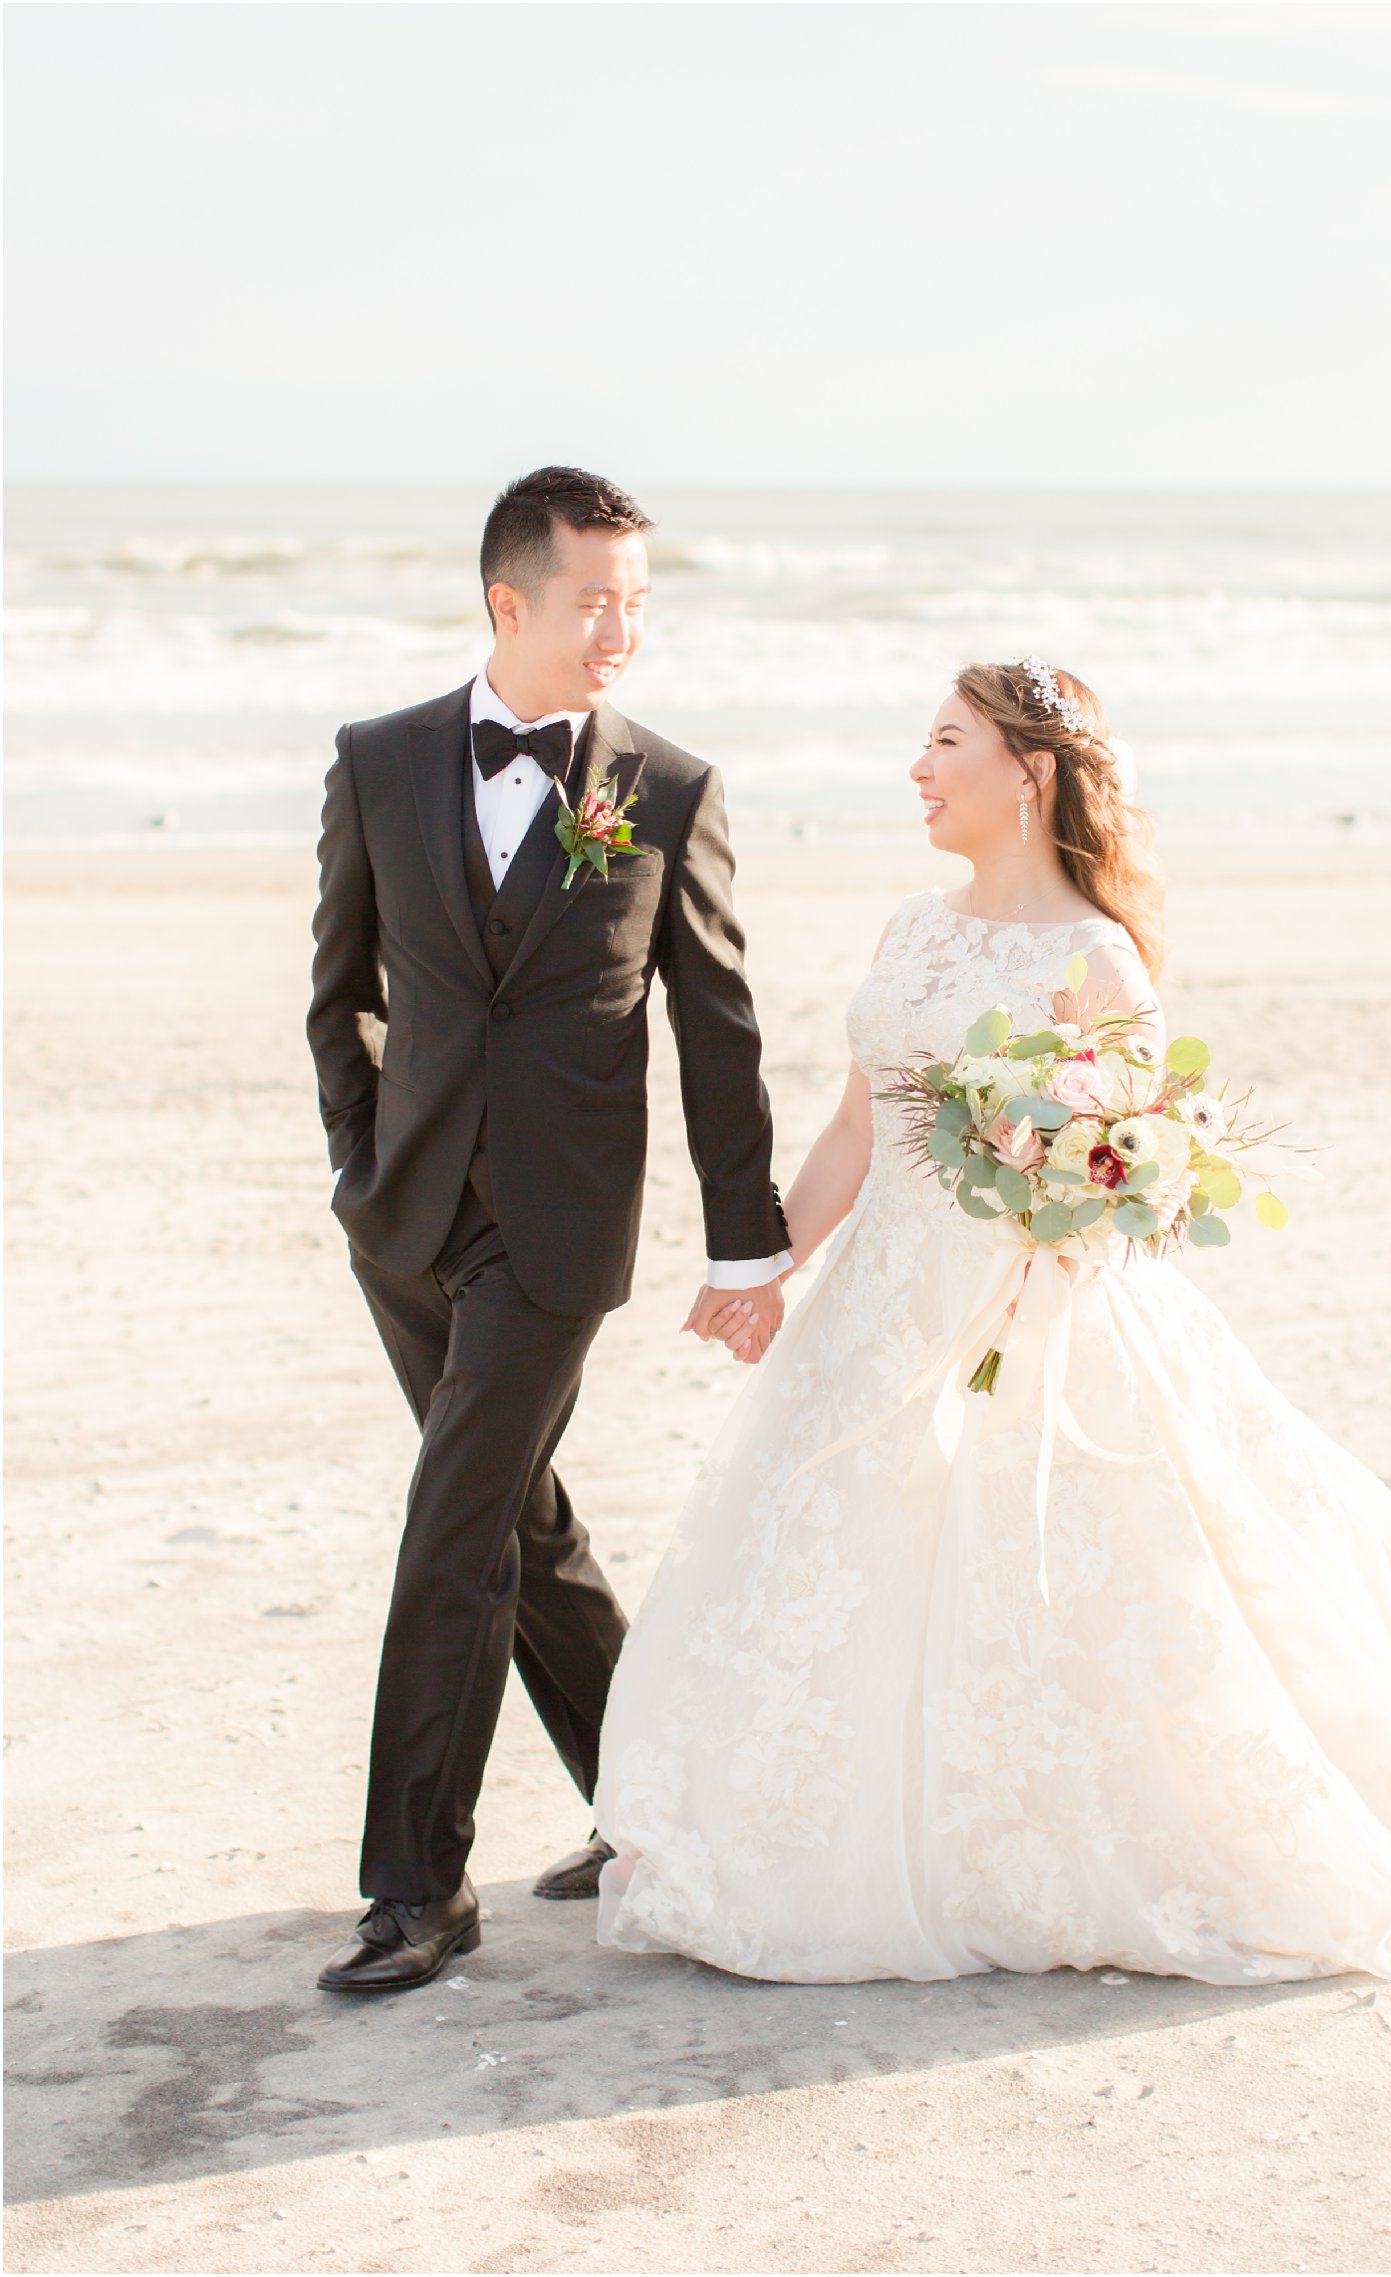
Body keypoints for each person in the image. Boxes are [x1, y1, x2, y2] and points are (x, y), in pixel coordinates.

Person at [594, 658, 1391, 1987]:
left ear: (1028, 773)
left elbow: (1128, 1180)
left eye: (946, 742)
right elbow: (861, 1125)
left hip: (1031, 1317)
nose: (918, 766)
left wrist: (1053, 1243)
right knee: (828, 1563)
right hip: (879, 1312)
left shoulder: (1098, 960)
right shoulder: (911, 927)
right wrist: (765, 1266)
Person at [307, 466, 790, 1992]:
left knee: (455, 1521)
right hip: (403, 1216)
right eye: (596, 600)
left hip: (559, 1234)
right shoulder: (378, 761)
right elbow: (340, 993)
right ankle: (652, 1801)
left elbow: (717, 1031)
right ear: (509, 601)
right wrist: (356, 1161)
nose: (620, 631)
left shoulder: (670, 789)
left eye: (639, 603)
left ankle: (417, 1886)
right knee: (523, 1520)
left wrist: (746, 1241)